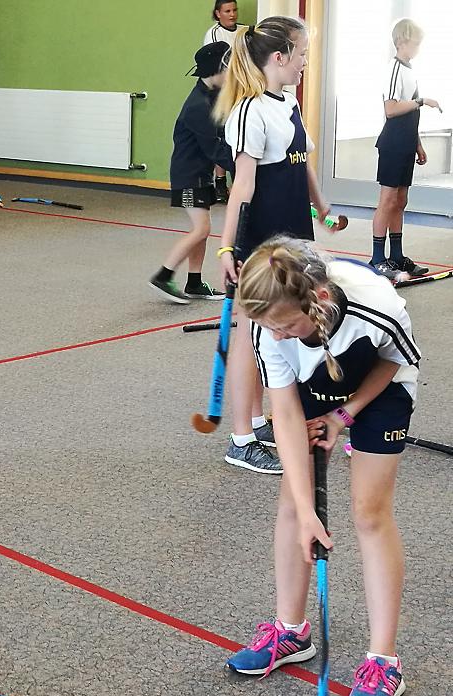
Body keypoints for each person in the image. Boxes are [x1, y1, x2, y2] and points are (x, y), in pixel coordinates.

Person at [227, 238, 418, 696]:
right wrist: (307, 507)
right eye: (269, 327)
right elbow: (286, 416)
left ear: (320, 300)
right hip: (312, 384)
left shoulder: (378, 307)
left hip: (380, 387)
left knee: (369, 512)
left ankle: (384, 661)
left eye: (286, 325)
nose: (276, 336)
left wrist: (345, 415)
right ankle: (291, 631)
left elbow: (395, 361)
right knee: (294, 505)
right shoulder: (271, 332)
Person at [212, 16, 334, 475]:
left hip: (293, 234)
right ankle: (241, 439)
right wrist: (227, 248)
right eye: (301, 55)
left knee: (271, 334)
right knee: (252, 335)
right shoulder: (250, 111)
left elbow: (302, 163)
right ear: (279, 57)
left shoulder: (289, 102)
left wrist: (321, 208)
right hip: (260, 240)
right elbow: (242, 188)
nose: (305, 63)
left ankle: (260, 420)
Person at [150, 41, 232, 303]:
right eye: (228, 68)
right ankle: (163, 275)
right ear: (216, 69)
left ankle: (194, 283)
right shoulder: (198, 106)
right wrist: (245, 169)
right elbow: (215, 149)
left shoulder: (212, 95)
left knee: (203, 229)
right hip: (188, 179)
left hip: (201, 175)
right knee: (201, 229)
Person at [369, 18, 440, 281]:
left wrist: (418, 144)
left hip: (407, 143)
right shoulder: (395, 69)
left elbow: (410, 113)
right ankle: (378, 258)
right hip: (393, 144)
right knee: (387, 201)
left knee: (401, 201)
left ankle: (397, 256)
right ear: (401, 42)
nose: (418, 48)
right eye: (415, 43)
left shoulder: (410, 70)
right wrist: (421, 101)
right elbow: (391, 109)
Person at [203, 1, 238, 202]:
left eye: (234, 10)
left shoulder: (243, 31)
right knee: (223, 136)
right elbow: (219, 64)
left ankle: (237, 182)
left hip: (240, 90)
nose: (232, 14)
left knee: (236, 135)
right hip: (222, 91)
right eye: (227, 11)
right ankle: (220, 183)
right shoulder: (214, 34)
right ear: (218, 13)